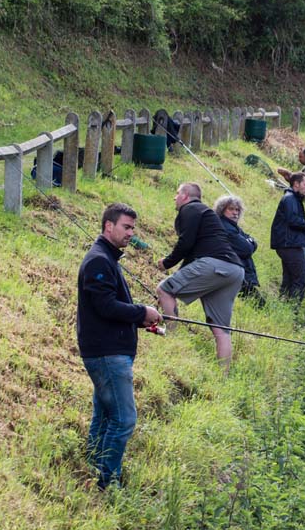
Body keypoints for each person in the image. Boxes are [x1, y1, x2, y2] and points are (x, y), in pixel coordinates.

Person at [77, 203, 162, 490]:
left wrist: (140, 321)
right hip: (106, 354)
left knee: (104, 415)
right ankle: (106, 481)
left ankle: (91, 467)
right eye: (126, 227)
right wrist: (141, 312)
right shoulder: (99, 260)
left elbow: (110, 307)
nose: (131, 233)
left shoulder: (107, 258)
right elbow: (104, 305)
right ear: (108, 226)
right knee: (124, 419)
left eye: (132, 228)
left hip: (109, 351)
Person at [156, 183, 244, 370]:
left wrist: (167, 263)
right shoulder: (205, 214)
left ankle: (169, 339)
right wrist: (177, 273)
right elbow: (193, 255)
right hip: (235, 270)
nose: (175, 198)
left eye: (177, 193)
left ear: (186, 196)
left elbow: (185, 242)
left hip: (214, 265)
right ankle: (224, 377)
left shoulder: (190, 209)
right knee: (221, 329)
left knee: (164, 290)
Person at [270, 172, 305, 301]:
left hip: (289, 244)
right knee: (300, 281)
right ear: (296, 184)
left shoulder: (294, 199)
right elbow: (292, 220)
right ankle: (294, 311)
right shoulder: (290, 199)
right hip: (289, 246)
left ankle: (283, 307)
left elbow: (292, 227)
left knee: (289, 280)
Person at [213, 195, 262, 305]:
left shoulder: (232, 226)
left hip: (238, 272)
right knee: (259, 305)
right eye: (231, 209)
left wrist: (250, 241)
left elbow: (250, 241)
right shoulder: (227, 228)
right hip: (235, 274)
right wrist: (250, 241)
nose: (235, 212)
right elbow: (247, 248)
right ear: (222, 210)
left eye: (237, 209)